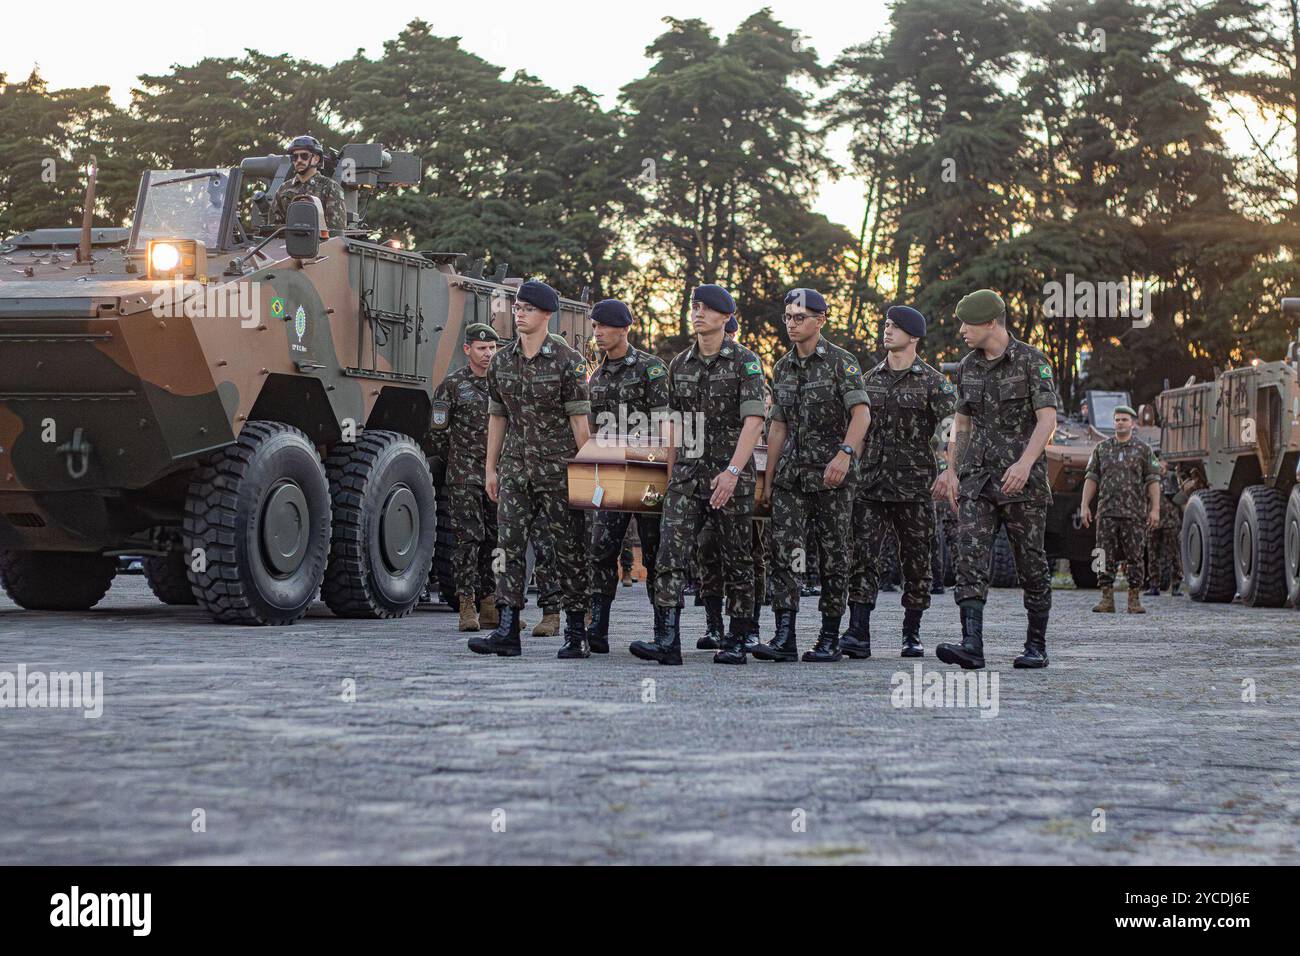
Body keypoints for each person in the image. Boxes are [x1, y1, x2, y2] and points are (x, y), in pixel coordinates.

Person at [630, 284, 765, 665]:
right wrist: (670, 473)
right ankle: (667, 640)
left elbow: (753, 423)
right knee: (669, 555)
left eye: (706, 309)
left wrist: (732, 473)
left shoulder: (745, 362)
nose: (698, 313)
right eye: (695, 307)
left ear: (725, 318)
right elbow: (672, 424)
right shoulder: (680, 364)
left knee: (736, 558)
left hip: (729, 475)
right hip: (687, 476)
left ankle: (738, 639)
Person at [933, 289, 1058, 670]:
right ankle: (972, 645)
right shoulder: (968, 366)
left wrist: (1024, 464)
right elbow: (964, 422)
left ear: (991, 323)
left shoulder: (1031, 362)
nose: (962, 331)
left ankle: (1036, 644)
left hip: (1022, 482)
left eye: (968, 324)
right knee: (968, 555)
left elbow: (1047, 420)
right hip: (978, 480)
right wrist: (953, 469)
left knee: (1031, 563)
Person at [469, 280, 593, 659]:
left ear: (546, 315)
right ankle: (508, 630)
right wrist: (490, 469)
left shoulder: (568, 360)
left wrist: (588, 470)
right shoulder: (502, 360)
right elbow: (497, 416)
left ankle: (575, 631)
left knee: (568, 548)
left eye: (527, 309)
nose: (519, 313)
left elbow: (579, 422)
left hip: (558, 471)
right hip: (514, 470)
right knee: (507, 548)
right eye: (517, 307)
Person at [753, 288, 869, 663]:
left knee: (834, 553)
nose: (791, 323)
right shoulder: (783, 366)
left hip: (832, 476)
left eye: (799, 317)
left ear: (821, 320)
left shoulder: (841, 362)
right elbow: (778, 428)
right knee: (785, 552)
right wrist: (768, 480)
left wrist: (845, 454)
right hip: (791, 478)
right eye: (787, 316)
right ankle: (784, 636)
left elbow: (862, 415)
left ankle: (829, 637)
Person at [844, 305, 954, 659]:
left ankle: (912, 634)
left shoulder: (934, 382)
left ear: (913, 335)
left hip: (915, 485)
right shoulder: (869, 378)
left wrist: (949, 469)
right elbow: (858, 426)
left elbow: (954, 428)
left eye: (894, 327)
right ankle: (858, 633)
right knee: (862, 557)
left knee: (917, 561)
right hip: (871, 485)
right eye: (886, 325)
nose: (887, 331)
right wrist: (853, 462)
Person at [585, 298, 670, 653]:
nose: (598, 333)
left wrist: (667, 472)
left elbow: (667, 426)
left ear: (624, 329)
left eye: (604, 326)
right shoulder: (597, 375)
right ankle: (597, 630)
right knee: (600, 550)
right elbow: (591, 428)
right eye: (594, 327)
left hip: (648, 476)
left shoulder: (651, 369)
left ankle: (663, 632)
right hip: (611, 477)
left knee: (654, 554)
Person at [428, 323, 500, 631]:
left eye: (493, 348)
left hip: (496, 475)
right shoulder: (452, 385)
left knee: (495, 539)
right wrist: (460, 461)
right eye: (482, 348)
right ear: (467, 349)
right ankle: (466, 605)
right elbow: (438, 434)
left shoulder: (502, 384)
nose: (488, 354)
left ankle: (490, 605)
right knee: (467, 540)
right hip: (464, 476)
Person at [1081, 405, 1160, 613]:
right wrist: (1084, 506)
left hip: (1133, 513)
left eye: (1124, 419)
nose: (1120, 423)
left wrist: (1155, 509)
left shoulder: (1143, 450)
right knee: (1101, 555)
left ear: (1133, 423)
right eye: (1117, 419)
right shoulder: (1102, 449)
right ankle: (1106, 597)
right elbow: (1091, 478)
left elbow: (1153, 480)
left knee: (1135, 557)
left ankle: (1134, 599)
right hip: (1106, 512)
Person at [271, 135, 347, 233]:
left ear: (316, 159)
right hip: (286, 246)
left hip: (320, 246)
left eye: (304, 156)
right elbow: (273, 229)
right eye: (295, 157)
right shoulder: (283, 189)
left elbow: (336, 232)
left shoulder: (330, 187)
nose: (299, 160)